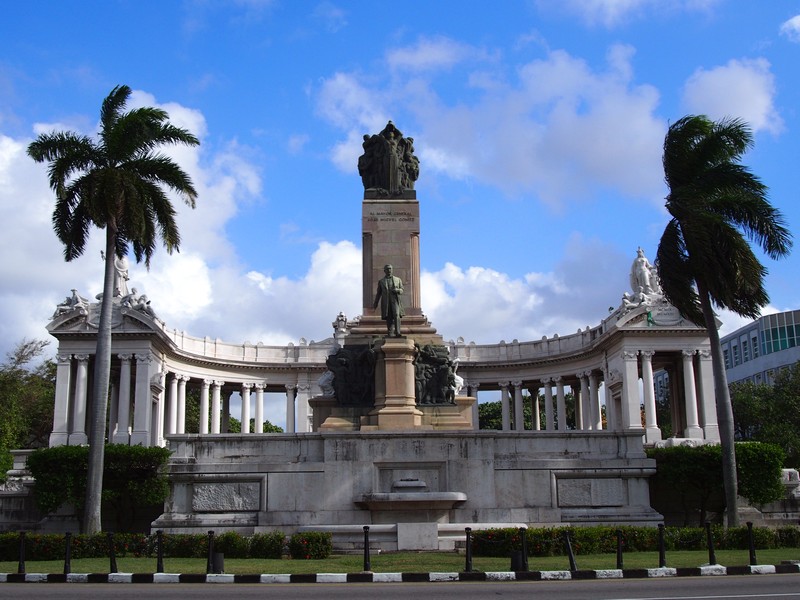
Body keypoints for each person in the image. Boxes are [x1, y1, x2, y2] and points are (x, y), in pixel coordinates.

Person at [373, 264, 404, 337]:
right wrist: (376, 303)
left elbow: (402, 289)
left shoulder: (398, 279)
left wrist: (397, 290)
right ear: (384, 271)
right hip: (386, 301)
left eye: (390, 269)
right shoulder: (381, 281)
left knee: (396, 315)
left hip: (395, 300)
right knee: (389, 316)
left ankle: (398, 332)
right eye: (387, 269)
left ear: (392, 270)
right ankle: (390, 332)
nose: (389, 270)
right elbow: (378, 293)